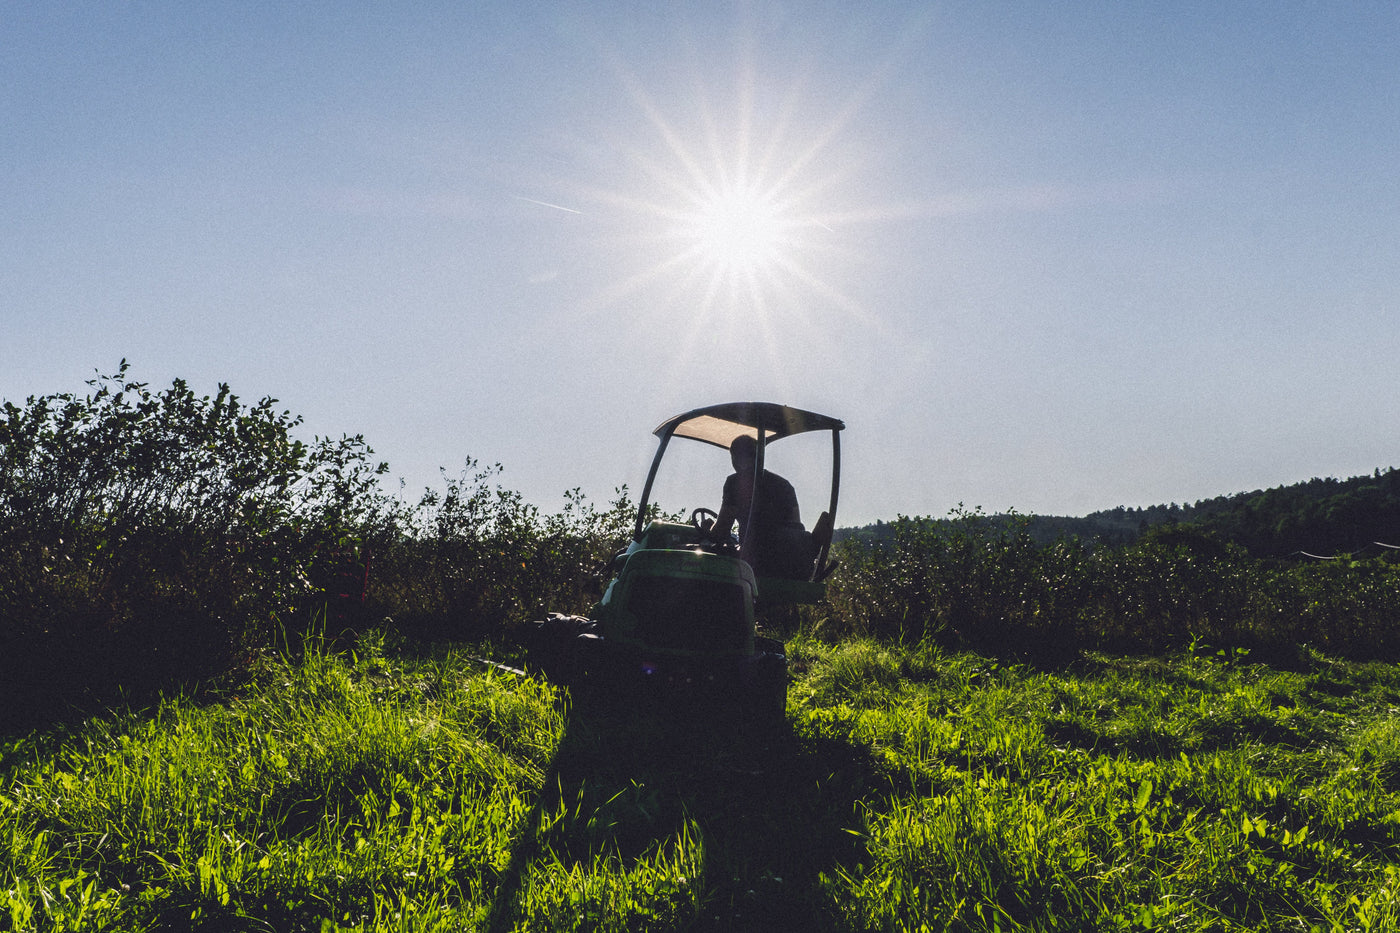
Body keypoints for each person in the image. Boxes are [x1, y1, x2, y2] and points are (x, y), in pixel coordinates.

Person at [708, 434, 814, 579]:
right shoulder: (784, 485)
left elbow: (721, 530)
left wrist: (708, 530)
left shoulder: (735, 482)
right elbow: (795, 526)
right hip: (789, 564)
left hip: (755, 562)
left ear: (737, 458)